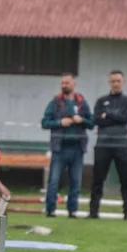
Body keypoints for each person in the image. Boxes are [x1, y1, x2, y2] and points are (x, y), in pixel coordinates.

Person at [40, 74, 93, 217]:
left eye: (67, 83)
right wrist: (60, 123)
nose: (64, 85)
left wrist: (81, 120)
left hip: (78, 147)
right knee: (54, 180)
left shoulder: (81, 102)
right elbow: (45, 122)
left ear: (74, 84)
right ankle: (50, 209)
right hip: (59, 147)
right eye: (62, 83)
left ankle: (72, 210)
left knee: (76, 181)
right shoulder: (55, 102)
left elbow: (91, 123)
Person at [88, 70, 127, 219]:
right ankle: (93, 211)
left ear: (123, 82)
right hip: (103, 145)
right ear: (109, 82)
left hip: (122, 145)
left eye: (118, 81)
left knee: (125, 179)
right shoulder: (101, 101)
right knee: (97, 179)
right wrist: (113, 118)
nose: (115, 83)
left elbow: (125, 118)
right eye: (113, 81)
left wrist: (108, 115)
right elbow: (96, 120)